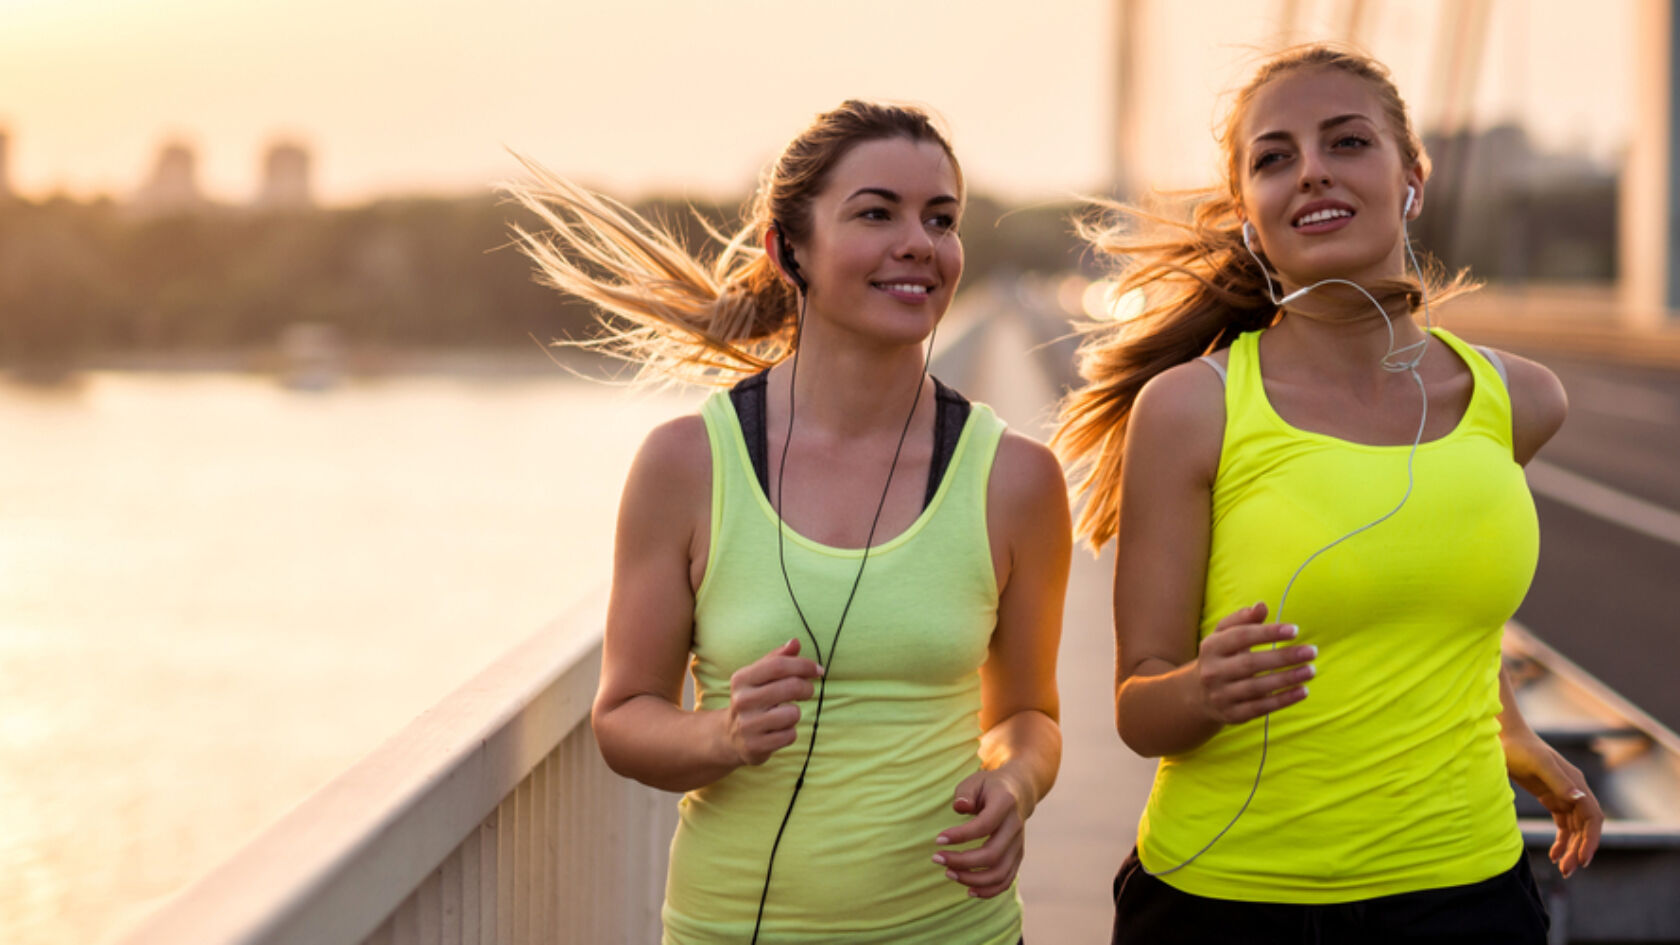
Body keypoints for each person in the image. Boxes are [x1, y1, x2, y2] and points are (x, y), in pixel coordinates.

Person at [1051, 45, 1604, 943]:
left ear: (1410, 176)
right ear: (1247, 212)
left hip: (1471, 896)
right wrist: (1206, 687)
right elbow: (1140, 707)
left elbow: (1434, 589)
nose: (1310, 170)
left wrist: (1511, 729)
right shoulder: (1193, 408)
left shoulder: (1522, 401)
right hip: (1231, 905)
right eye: (1275, 157)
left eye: (1346, 143)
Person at [507, 100, 1069, 944]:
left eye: (941, 219)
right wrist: (723, 733)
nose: (920, 241)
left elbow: (1030, 714)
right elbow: (624, 716)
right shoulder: (687, 464)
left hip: (957, 930)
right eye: (876, 212)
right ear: (788, 249)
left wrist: (1016, 781)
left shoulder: (1017, 478)